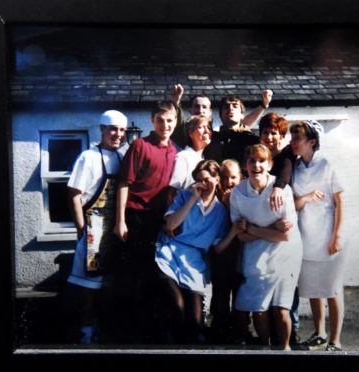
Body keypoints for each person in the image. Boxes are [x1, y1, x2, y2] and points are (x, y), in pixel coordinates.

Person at [154, 160, 245, 343]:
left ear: (217, 179)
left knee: (196, 324)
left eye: (207, 180)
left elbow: (218, 248)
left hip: (193, 263)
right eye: (198, 180)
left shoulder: (220, 211)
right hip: (169, 254)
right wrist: (193, 199)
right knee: (177, 305)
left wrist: (233, 231)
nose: (202, 184)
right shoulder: (185, 196)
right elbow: (171, 224)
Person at [112, 100, 179, 343]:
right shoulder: (140, 145)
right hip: (136, 216)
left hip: (159, 219)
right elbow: (124, 183)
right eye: (160, 120)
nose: (165, 125)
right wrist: (120, 221)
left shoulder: (175, 150)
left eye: (170, 120)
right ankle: (133, 334)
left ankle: (157, 329)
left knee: (157, 274)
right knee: (136, 274)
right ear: (152, 121)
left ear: (176, 121)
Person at [230, 144, 303, 350]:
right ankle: (266, 349)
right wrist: (271, 229)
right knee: (258, 309)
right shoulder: (237, 193)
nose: (257, 165)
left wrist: (252, 228)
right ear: (246, 165)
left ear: (270, 164)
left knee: (280, 309)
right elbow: (241, 236)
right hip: (255, 254)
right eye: (252, 161)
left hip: (286, 254)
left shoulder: (282, 190)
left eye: (262, 161)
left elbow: (287, 235)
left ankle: (286, 349)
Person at [64, 109, 127, 344]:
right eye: (112, 129)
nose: (117, 134)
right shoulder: (88, 157)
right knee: (89, 288)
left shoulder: (121, 157)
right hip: (93, 229)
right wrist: (81, 230)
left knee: (108, 284)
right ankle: (86, 333)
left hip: (112, 228)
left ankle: (104, 330)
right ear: (102, 129)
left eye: (121, 130)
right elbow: (73, 195)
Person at [290, 120, 345, 352]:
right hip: (305, 235)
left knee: (332, 289)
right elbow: (294, 203)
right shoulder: (295, 167)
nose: (292, 142)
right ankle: (320, 333)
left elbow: (339, 201)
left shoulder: (327, 164)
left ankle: (335, 341)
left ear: (312, 142)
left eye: (297, 138)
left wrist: (337, 236)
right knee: (313, 288)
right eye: (292, 138)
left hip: (327, 235)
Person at [258, 112, 300, 346]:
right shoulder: (260, 159)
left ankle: (290, 335)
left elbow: (285, 172)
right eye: (265, 132)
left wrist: (277, 187)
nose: (269, 137)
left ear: (281, 136)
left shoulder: (286, 156)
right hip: (266, 228)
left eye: (274, 133)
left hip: (285, 226)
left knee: (287, 284)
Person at [208, 159, 245, 343]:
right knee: (220, 294)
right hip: (222, 256)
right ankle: (219, 327)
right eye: (226, 178)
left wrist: (231, 205)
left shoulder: (244, 198)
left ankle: (240, 330)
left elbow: (241, 226)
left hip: (240, 256)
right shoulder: (216, 200)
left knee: (239, 295)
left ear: (241, 178)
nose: (230, 182)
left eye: (234, 177)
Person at [169, 84, 273, 150]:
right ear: (220, 115)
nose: (230, 109)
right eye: (226, 107)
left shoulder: (252, 139)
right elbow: (177, 128)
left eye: (235, 106)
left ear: (210, 112)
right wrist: (175, 103)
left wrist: (263, 105)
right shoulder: (214, 138)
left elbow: (243, 125)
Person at [168, 115, 212, 203]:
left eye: (209, 128)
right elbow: (172, 192)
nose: (207, 131)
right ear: (190, 133)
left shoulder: (204, 159)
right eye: (201, 127)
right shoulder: (183, 157)